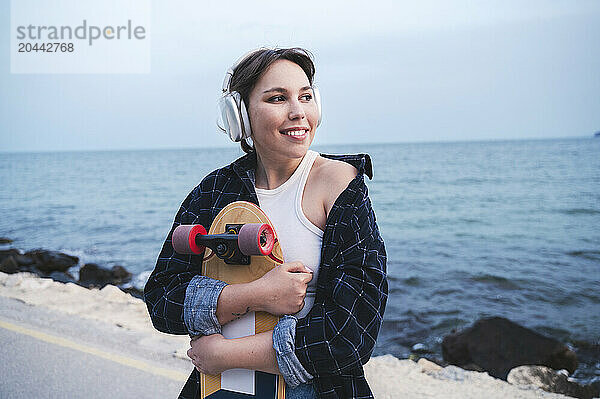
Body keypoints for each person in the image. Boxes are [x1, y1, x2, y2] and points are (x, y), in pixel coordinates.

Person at [144, 47, 387, 399]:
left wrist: (223, 355)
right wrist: (255, 295)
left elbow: (349, 335)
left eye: (305, 97)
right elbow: (162, 301)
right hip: (221, 389)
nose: (298, 112)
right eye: (277, 98)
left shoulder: (341, 185)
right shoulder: (214, 191)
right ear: (240, 115)